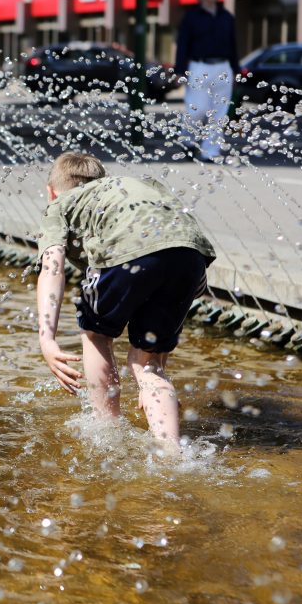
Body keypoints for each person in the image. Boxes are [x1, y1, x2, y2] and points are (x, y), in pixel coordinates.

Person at [36, 152, 216, 448]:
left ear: (51, 191)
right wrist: (155, 351)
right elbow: (182, 258)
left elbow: (52, 264)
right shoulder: (139, 187)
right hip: (190, 257)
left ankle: (107, 434)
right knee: (148, 363)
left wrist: (47, 339)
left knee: (97, 334)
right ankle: (172, 454)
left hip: (129, 256)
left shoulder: (60, 204)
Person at [174, 0, 240, 162]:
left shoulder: (227, 17)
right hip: (198, 66)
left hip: (223, 67)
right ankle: (187, 141)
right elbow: (183, 44)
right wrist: (179, 71)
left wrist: (236, 71)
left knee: (219, 114)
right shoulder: (191, 16)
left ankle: (210, 152)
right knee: (197, 110)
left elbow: (233, 46)